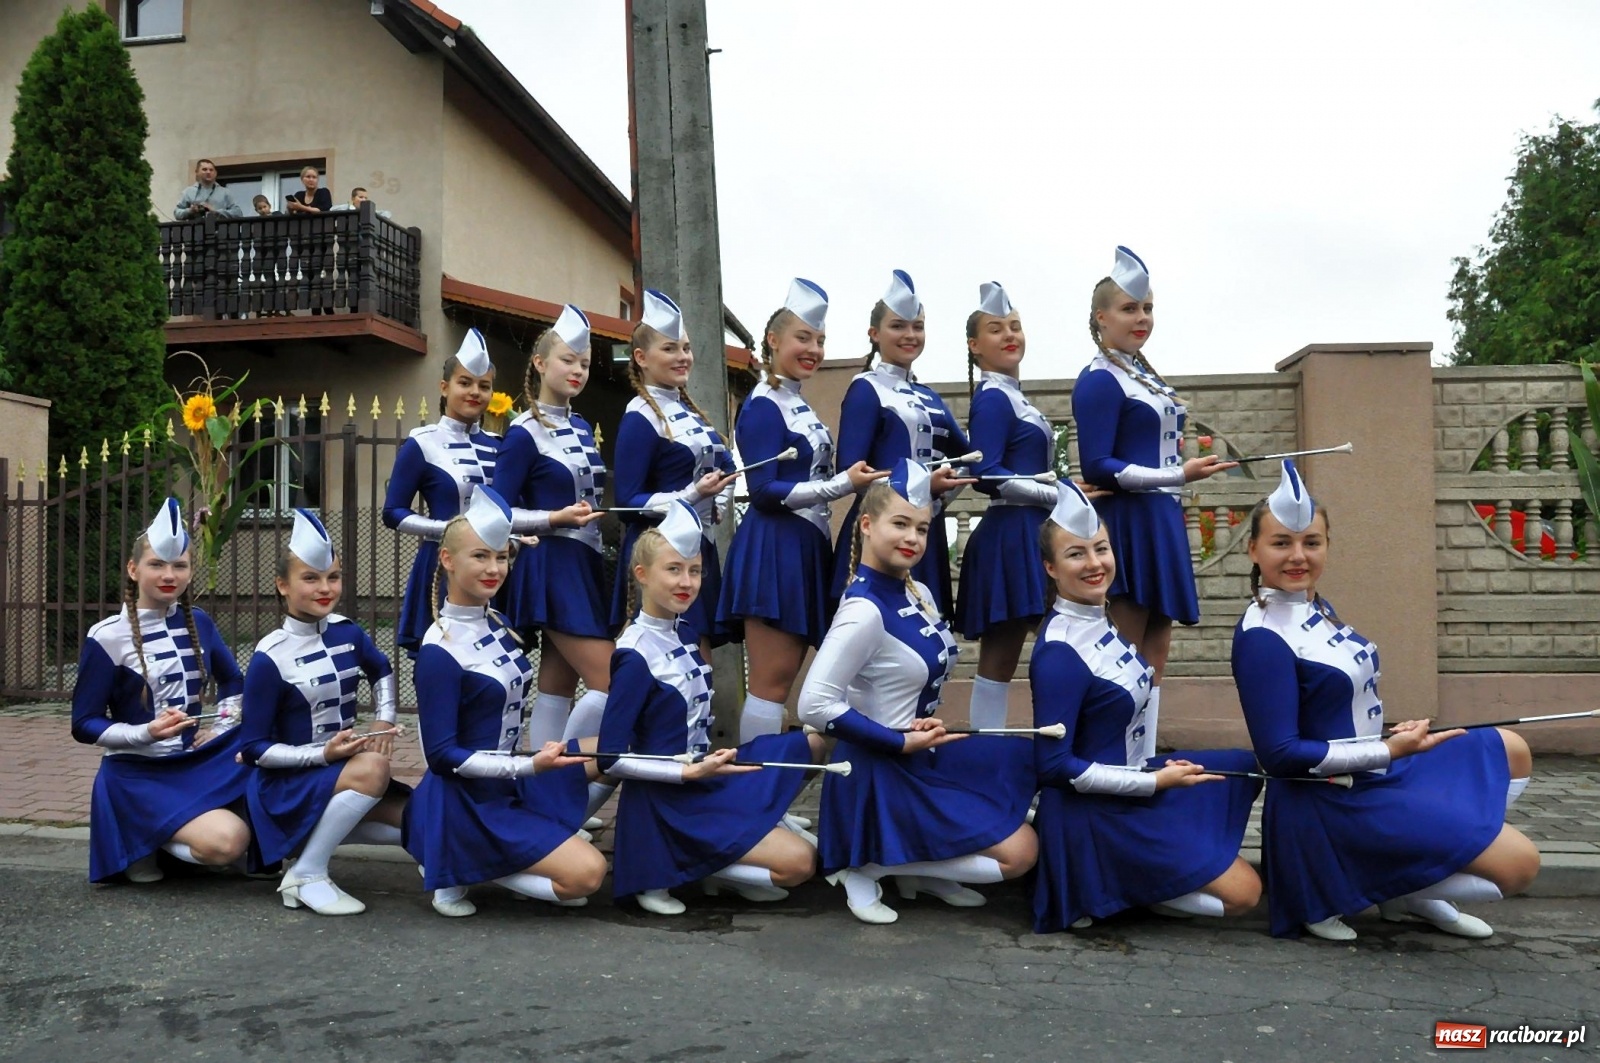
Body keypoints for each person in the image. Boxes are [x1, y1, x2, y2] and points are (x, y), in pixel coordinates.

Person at [1232, 461, 1540, 940]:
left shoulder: (1316, 607)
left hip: (1378, 764)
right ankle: (1394, 885)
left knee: (1509, 747)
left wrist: (1393, 736)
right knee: (1521, 865)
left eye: (1311, 542)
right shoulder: (1261, 637)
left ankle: (1408, 880)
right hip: (1332, 798)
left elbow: (1339, 700)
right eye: (1281, 543)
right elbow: (1279, 755)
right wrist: (1390, 750)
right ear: (1252, 549)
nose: (1298, 555)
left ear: (1328, 546)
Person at [799, 461, 1037, 924]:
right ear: (866, 526)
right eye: (901, 524)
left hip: (918, 757)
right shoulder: (863, 610)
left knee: (1023, 774)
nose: (913, 538)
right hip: (876, 773)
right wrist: (897, 740)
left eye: (923, 528)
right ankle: (865, 865)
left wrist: (918, 728)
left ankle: (913, 867)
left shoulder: (919, 593)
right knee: (1018, 855)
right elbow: (814, 703)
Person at [1029, 481, 1261, 933]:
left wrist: (1155, 775)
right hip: (1095, 814)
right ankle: (1118, 885)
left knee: (1243, 768)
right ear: (1050, 567)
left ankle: (1142, 879)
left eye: (1101, 549)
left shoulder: (1102, 619)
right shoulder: (1059, 650)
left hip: (1136, 784)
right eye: (1077, 554)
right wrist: (1156, 782)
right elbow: (1053, 766)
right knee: (1245, 894)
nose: (1095, 564)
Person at [600, 501, 821, 914]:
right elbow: (610, 757)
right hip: (665, 804)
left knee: (811, 753)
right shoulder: (633, 654)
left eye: (695, 570)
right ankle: (688, 867)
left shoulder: (684, 632)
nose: (687, 582)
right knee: (799, 863)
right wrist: (685, 771)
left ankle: (713, 863)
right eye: (674, 570)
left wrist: (705, 766)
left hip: (704, 783)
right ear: (641, 575)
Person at [403, 487, 611, 917]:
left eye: (501, 557)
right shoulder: (438, 650)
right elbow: (441, 758)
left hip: (510, 782)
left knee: (612, 751)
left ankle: (506, 851)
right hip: (465, 801)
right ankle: (457, 860)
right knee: (585, 878)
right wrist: (530, 766)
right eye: (480, 557)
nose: (494, 568)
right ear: (447, 561)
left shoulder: (499, 623)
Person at [718, 278, 887, 742]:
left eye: (820, 340)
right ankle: (756, 798)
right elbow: (764, 489)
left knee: (784, 681)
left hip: (804, 545)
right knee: (771, 685)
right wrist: (841, 485)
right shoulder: (762, 405)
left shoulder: (795, 401)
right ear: (773, 341)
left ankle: (767, 796)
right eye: (803, 338)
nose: (813, 349)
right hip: (775, 546)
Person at [1073, 247, 1236, 723]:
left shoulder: (1141, 375)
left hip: (1160, 516)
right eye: (1129, 309)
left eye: (1147, 308)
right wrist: (1179, 475)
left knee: (1157, 648)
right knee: (1123, 647)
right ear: (1101, 318)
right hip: (1127, 520)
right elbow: (1099, 464)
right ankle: (1109, 752)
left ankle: (1141, 751)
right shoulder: (1099, 379)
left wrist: (1176, 480)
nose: (1141, 318)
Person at [69, 499, 251, 884]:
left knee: (263, 746)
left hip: (195, 762)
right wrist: (146, 733)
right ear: (133, 570)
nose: (169, 575)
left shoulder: (200, 622)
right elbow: (83, 723)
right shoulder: (106, 637)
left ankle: (172, 834)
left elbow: (234, 683)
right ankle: (144, 836)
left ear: (190, 571)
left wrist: (219, 727)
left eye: (179, 566)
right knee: (230, 843)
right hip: (138, 773)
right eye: (157, 565)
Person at [238, 510, 410, 916]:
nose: (325, 588)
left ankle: (308, 844)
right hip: (287, 786)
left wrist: (383, 718)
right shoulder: (269, 656)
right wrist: (323, 755)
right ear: (282, 585)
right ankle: (308, 873)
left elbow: (381, 668)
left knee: (419, 818)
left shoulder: (348, 630)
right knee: (373, 768)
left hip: (338, 778)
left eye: (333, 577)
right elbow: (254, 749)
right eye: (310, 578)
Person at [494, 305, 613, 751]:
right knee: (612, 682)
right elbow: (496, 511)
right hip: (550, 565)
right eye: (567, 360)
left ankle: (545, 792)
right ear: (540, 364)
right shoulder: (523, 432)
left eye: (583, 363)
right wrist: (552, 519)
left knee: (557, 687)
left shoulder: (582, 428)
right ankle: (561, 788)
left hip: (582, 564)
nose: (577, 370)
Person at [830, 270, 974, 615]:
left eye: (917, 327)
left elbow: (972, 456)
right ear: (874, 334)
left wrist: (938, 501)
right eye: (898, 326)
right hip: (878, 534)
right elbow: (852, 473)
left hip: (924, 534)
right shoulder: (866, 388)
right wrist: (926, 487)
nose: (910, 335)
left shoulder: (930, 398)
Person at [608, 290, 738, 648]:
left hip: (697, 551)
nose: (683, 357)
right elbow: (627, 501)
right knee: (659, 665)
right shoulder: (640, 416)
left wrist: (719, 507)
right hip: (658, 555)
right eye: (670, 348)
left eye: (686, 348)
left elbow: (727, 465)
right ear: (641, 357)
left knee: (697, 668)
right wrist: (695, 495)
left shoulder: (689, 411)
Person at [384, 329, 524, 658]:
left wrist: (513, 544)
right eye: (465, 382)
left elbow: (515, 508)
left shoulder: (501, 446)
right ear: (444, 387)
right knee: (440, 661)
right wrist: (445, 530)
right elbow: (393, 513)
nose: (475, 392)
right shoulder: (422, 442)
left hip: (494, 572)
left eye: (484, 385)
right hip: (441, 567)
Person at [954, 282, 1056, 730]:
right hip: (1010, 536)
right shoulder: (993, 398)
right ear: (976, 347)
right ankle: (987, 762)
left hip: (1036, 533)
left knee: (1048, 650)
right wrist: (1055, 493)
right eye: (996, 330)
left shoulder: (1016, 398)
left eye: (1015, 326)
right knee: (999, 663)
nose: (1010, 335)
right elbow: (986, 474)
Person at [174, 159, 243, 220]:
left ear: (215, 173)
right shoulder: (188, 192)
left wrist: (215, 212)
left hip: (220, 232)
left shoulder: (225, 192)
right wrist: (190, 211)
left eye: (211, 170)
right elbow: (177, 213)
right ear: (197, 172)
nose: (208, 172)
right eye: (204, 169)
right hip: (195, 232)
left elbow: (238, 213)